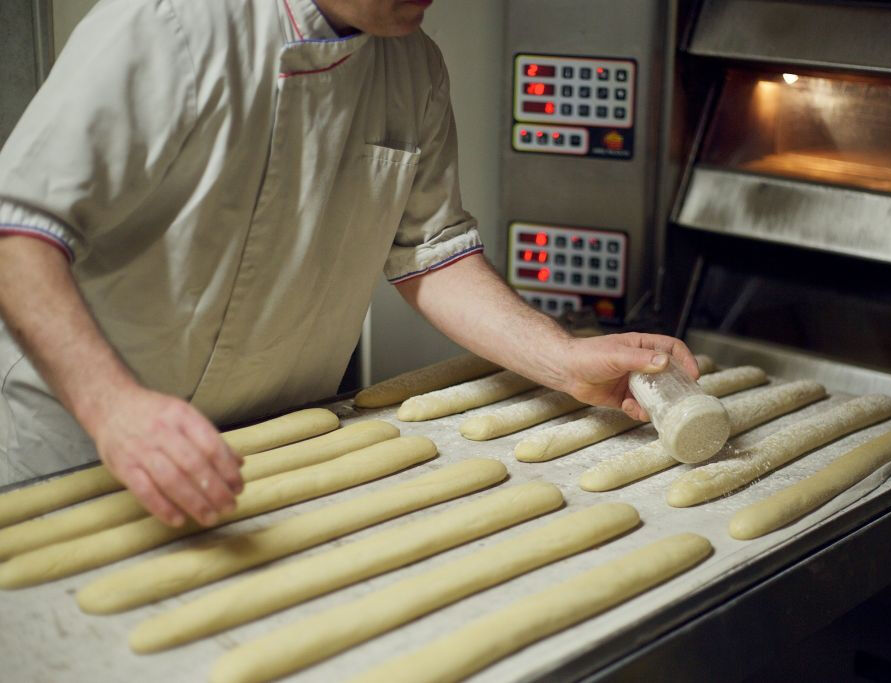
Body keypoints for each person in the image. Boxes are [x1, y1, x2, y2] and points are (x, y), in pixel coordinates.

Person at [0, 0, 697, 528]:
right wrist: (113, 408)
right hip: (72, 448)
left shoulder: (413, 65)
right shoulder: (168, 26)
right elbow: (18, 229)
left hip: (266, 455)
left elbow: (432, 254)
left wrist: (562, 359)